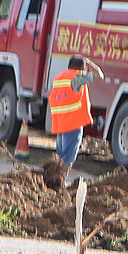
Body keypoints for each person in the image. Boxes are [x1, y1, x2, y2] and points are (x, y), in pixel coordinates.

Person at [45, 55, 101, 185]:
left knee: (60, 155)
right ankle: (59, 181)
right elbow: (99, 75)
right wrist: (90, 64)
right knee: (68, 157)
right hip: (73, 123)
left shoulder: (59, 78)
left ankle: (53, 179)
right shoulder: (77, 78)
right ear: (82, 68)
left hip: (60, 123)